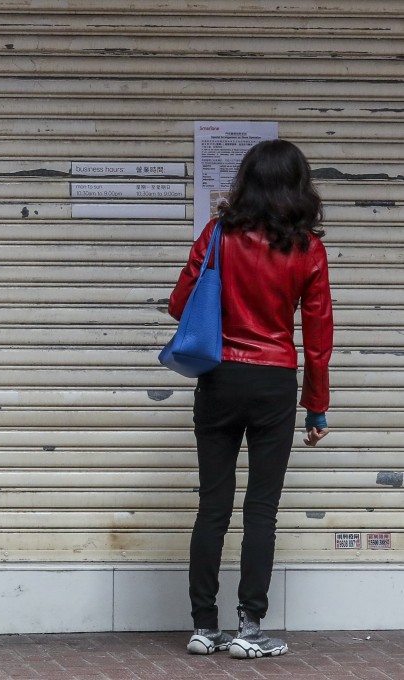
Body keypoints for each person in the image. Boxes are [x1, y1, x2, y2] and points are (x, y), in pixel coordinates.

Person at [167, 140, 333, 659]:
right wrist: (317, 407)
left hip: (219, 378)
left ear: (245, 181)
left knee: (212, 507)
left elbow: (178, 306)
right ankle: (249, 628)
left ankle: (202, 626)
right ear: (299, 185)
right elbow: (319, 335)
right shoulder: (308, 248)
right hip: (274, 384)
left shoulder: (217, 235)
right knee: (262, 508)